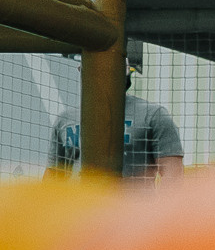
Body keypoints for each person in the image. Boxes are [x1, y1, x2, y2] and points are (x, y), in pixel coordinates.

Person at [50, 64, 184, 181]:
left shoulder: (153, 115)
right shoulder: (65, 119)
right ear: (81, 71)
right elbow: (53, 177)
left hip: (130, 208)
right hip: (79, 207)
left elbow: (173, 177)